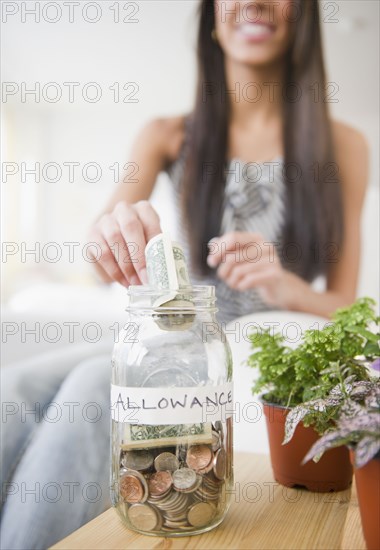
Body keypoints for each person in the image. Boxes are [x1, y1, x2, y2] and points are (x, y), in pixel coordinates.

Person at [1, 1, 368, 548]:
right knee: (16, 386)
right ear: (212, 17)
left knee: (90, 386)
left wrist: (281, 282)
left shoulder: (344, 146)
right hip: (172, 328)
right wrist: (112, 234)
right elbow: (96, 259)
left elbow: (346, 304)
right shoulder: (165, 134)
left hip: (235, 339)